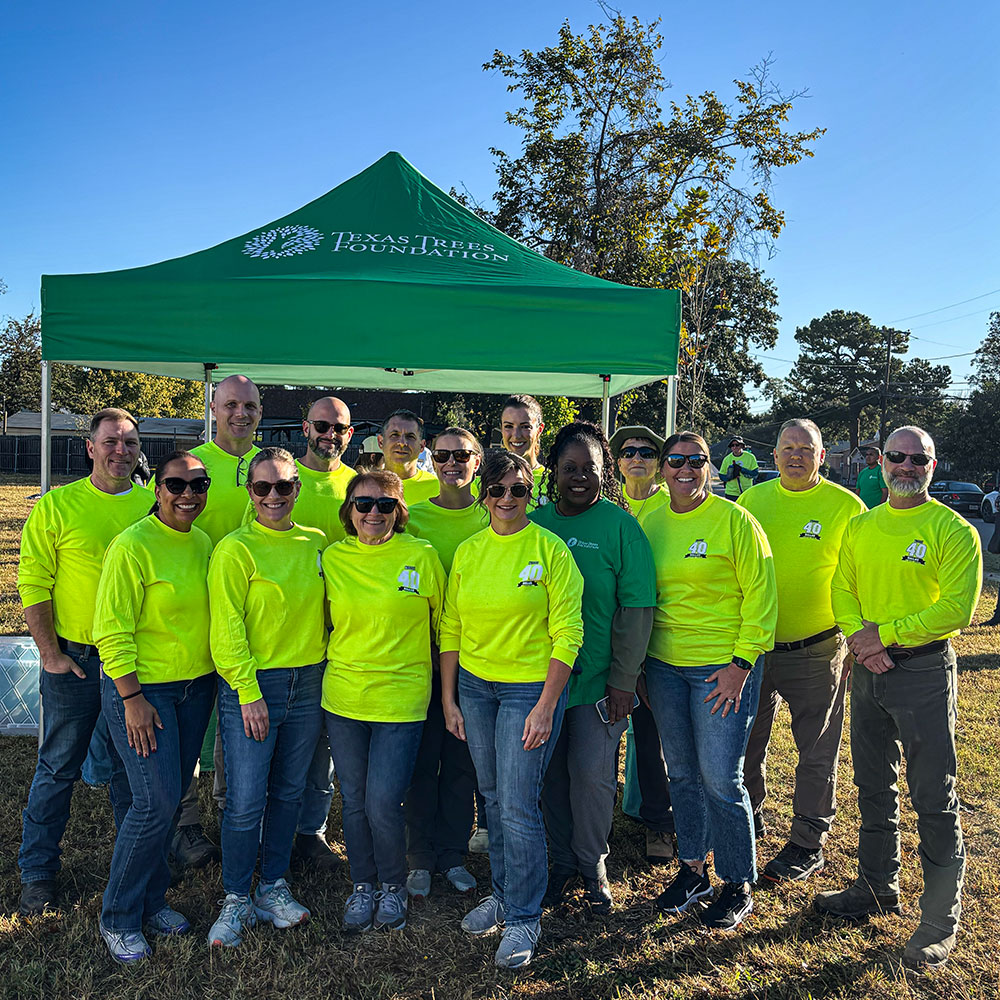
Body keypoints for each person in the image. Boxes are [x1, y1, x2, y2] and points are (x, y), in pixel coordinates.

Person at [816, 426, 982, 971]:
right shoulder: (863, 525)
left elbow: (956, 610)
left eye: (919, 459)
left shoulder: (952, 530)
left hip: (924, 672)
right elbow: (843, 586)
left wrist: (882, 636)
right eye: (897, 457)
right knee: (873, 784)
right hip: (868, 671)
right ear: (879, 461)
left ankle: (939, 919)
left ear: (933, 465)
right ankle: (875, 885)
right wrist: (861, 641)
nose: (906, 466)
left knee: (933, 796)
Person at [440, 449, 584, 970]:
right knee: (494, 797)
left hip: (530, 689)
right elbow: (451, 626)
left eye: (517, 490)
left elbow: (569, 632)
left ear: (531, 493)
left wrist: (547, 705)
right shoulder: (470, 551)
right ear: (484, 494)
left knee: (520, 803)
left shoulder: (551, 551)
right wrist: (449, 697)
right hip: (476, 687)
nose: (506, 499)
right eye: (497, 490)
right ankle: (501, 894)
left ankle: (524, 914)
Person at [16, 408, 151, 916]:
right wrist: (50, 654)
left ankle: (131, 868)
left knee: (128, 772)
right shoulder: (58, 506)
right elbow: (33, 582)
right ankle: (38, 873)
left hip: (133, 665)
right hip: (74, 660)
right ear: (90, 448)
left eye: (131, 442)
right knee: (57, 768)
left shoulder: (150, 507)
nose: (122, 450)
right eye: (111, 441)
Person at [642, 431, 776, 931]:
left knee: (722, 778)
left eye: (695, 460)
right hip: (664, 668)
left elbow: (762, 597)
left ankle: (738, 880)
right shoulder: (649, 520)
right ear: (662, 469)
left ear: (710, 466)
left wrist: (741, 665)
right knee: (682, 774)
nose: (685, 469)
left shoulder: (735, 520)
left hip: (722, 668)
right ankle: (693, 869)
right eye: (675, 460)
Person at [92, 452, 215, 961]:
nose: (187, 493)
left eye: (198, 484)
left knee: (159, 798)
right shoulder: (132, 546)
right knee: (156, 801)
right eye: (175, 484)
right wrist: (131, 698)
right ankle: (118, 915)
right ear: (157, 488)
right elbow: (110, 629)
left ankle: (151, 898)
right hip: (145, 691)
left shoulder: (203, 542)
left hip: (195, 688)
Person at [530, 422, 655, 914]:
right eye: (569, 468)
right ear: (553, 470)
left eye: (591, 469)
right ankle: (560, 864)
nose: (579, 477)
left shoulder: (621, 527)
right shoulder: (534, 524)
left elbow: (637, 608)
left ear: (606, 473)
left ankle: (592, 865)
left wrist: (624, 680)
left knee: (593, 778)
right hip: (538, 685)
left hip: (599, 684)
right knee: (549, 778)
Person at [206, 447, 327, 948]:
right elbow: (227, 627)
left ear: (297, 489)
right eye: (263, 488)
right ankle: (235, 897)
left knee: (289, 793)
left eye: (283, 487)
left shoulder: (317, 543)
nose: (273, 496)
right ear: (251, 493)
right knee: (245, 799)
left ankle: (273, 886)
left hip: (310, 681)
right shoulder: (235, 549)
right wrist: (249, 691)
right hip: (254, 685)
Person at [737, 419, 866, 881]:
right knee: (747, 740)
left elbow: (859, 578)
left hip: (816, 648)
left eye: (805, 449)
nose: (795, 455)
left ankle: (807, 841)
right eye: (787, 448)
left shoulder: (846, 506)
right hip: (754, 648)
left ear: (822, 457)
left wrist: (856, 637)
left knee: (816, 750)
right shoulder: (752, 501)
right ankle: (749, 818)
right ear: (772, 457)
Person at [323, 470, 446, 933]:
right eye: (363, 504)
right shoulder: (331, 558)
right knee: (352, 800)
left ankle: (392, 885)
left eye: (385, 505)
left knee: (382, 801)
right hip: (344, 697)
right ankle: (363, 884)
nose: (373, 512)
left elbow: (443, 626)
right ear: (349, 511)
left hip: (402, 698)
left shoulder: (422, 556)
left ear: (400, 511)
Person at [173, 374, 264, 867]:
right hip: (190, 622)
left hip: (253, 628)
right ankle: (185, 824)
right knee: (189, 732)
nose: (240, 414)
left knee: (236, 727)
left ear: (260, 412)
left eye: (248, 405)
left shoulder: (272, 467)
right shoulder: (189, 467)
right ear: (212, 408)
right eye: (230, 404)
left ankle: (234, 816)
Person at [404, 428, 487, 901]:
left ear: (478, 460)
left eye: (462, 455)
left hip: (479, 662)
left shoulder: (493, 513)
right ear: (431, 461)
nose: (451, 462)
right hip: (421, 660)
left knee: (461, 764)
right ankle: (418, 857)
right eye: (442, 455)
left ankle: (453, 854)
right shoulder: (412, 520)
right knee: (421, 761)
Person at [290, 396, 355, 869]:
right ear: (305, 428)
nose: (329, 434)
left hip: (344, 637)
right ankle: (259, 826)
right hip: (286, 636)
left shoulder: (357, 486)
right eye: (321, 425)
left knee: (322, 748)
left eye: (339, 428)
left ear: (350, 435)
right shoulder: (280, 478)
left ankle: (311, 833)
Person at [609, 425, 675, 863]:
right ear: (616, 463)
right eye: (628, 451)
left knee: (652, 739)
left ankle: (661, 825)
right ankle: (595, 820)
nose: (636, 457)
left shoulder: (674, 508)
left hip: (658, 641)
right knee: (599, 734)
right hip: (603, 637)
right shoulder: (605, 507)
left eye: (647, 451)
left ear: (659, 462)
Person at [610, 425, 669, 525]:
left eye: (646, 453)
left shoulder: (672, 504)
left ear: (659, 464)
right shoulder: (608, 502)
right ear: (619, 463)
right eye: (628, 453)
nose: (637, 459)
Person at [378, 409, 438, 507]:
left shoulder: (437, 488)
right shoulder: (366, 486)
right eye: (394, 435)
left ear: (422, 446)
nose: (402, 443)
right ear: (381, 442)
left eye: (410, 437)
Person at [499, 394, 547, 502]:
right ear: (501, 428)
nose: (516, 435)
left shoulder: (553, 482)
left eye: (525, 427)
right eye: (508, 426)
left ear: (539, 430)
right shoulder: (486, 484)